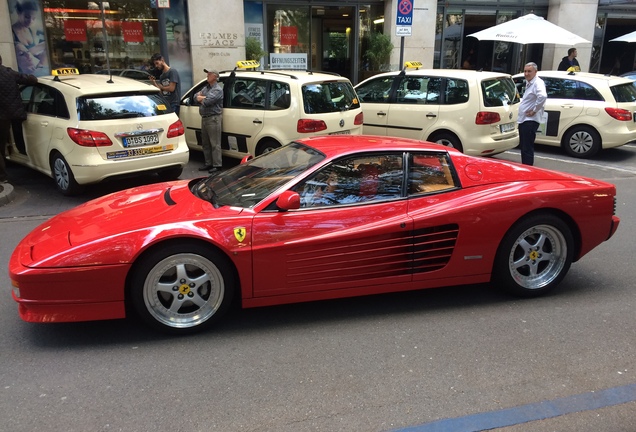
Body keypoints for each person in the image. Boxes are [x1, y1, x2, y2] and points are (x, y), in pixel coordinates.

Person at [0, 54, 37, 183]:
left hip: (1, 116)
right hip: (14, 114)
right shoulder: (9, 73)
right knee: (12, 138)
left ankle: (3, 176)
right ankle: (15, 156)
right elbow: (30, 79)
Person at [517, 62, 547, 166]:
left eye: (529, 71)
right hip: (525, 119)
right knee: (525, 146)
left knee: (527, 147)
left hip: (529, 120)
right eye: (525, 71)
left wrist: (534, 110)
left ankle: (527, 169)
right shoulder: (529, 82)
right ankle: (526, 166)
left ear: (535, 72)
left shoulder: (537, 83)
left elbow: (542, 96)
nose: (526, 73)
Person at [195, 69, 223, 173]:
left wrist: (201, 97)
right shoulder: (206, 88)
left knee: (215, 143)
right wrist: (201, 97)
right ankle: (208, 163)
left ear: (215, 77)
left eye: (210, 74)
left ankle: (217, 165)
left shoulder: (218, 90)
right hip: (205, 117)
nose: (207, 75)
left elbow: (208, 101)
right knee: (205, 143)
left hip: (213, 118)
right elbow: (195, 97)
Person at [12, 0, 47, 74]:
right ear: (18, 13)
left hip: (36, 71)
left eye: (33, 18)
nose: (30, 21)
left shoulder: (32, 31)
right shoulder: (11, 33)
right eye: (27, 17)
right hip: (22, 74)